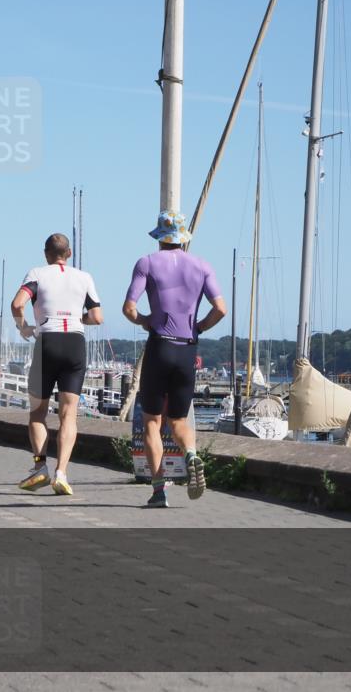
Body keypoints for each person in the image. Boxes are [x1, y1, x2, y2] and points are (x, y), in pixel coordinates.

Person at [122, 210, 227, 508]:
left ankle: (158, 491)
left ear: (159, 237)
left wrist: (145, 320)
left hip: (159, 345)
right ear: (183, 238)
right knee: (179, 419)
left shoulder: (147, 263)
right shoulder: (202, 265)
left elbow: (128, 308)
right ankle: (191, 455)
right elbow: (221, 308)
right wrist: (200, 327)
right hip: (186, 348)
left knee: (152, 423)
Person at [10, 234, 102, 496]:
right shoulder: (84, 277)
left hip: (47, 342)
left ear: (45, 253)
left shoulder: (37, 274)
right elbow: (97, 316)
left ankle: (40, 467)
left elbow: (17, 303)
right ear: (69, 253)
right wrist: (77, 317)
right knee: (68, 414)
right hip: (75, 343)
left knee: (38, 412)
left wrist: (23, 326)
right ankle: (62, 473)